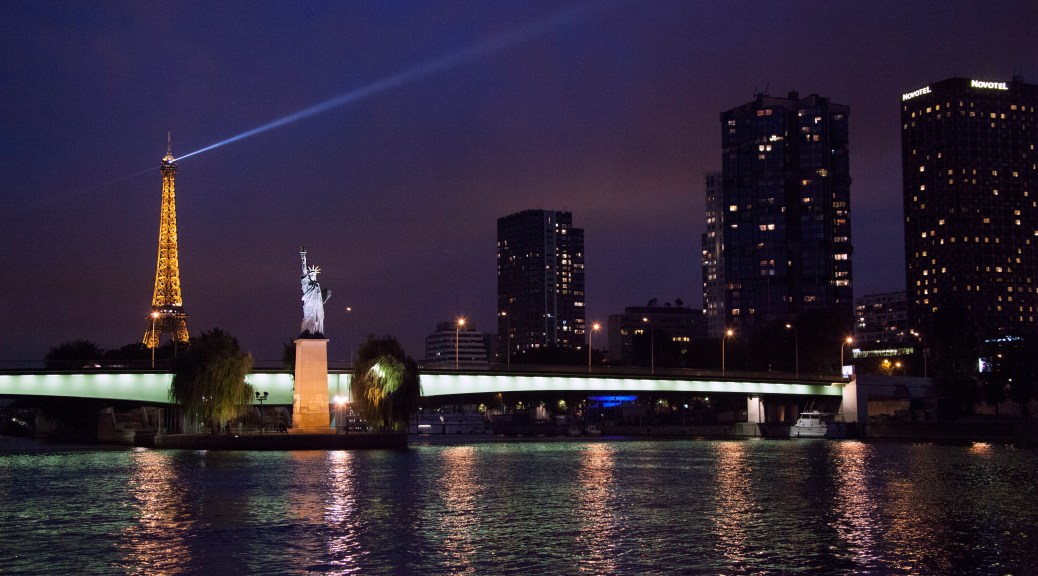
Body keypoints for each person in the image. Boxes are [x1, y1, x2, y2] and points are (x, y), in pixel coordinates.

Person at [299, 247, 331, 336]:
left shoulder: (317, 285)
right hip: (309, 305)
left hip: (317, 306)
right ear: (309, 276)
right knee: (309, 318)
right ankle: (309, 332)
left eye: (314, 274)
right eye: (311, 274)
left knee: (318, 319)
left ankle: (317, 332)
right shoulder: (306, 283)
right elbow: (304, 270)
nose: (313, 276)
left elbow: (320, 297)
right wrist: (303, 257)